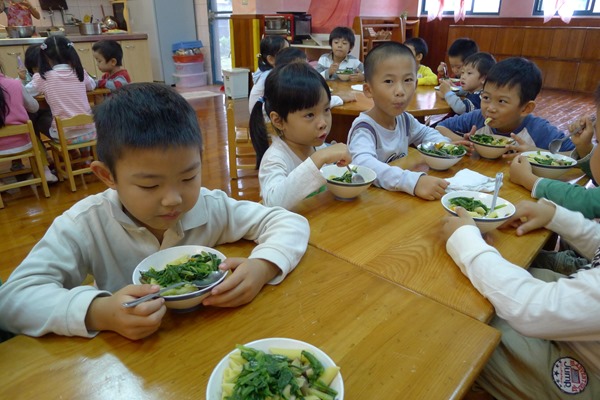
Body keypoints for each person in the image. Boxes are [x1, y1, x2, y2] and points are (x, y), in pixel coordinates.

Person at [0, 83, 310, 340]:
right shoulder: (86, 223)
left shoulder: (209, 205)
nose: (173, 200)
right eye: (149, 186)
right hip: (130, 359)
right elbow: (13, 299)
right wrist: (101, 312)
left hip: (211, 337)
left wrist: (263, 267)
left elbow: (287, 221)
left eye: (188, 177)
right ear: (107, 176)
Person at [440, 85, 600, 400]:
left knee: (458, 325)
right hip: (584, 328)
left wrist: (465, 239)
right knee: (507, 271)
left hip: (589, 371)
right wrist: (554, 216)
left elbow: (531, 309)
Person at [346, 41, 461, 200]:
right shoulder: (365, 128)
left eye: (407, 80)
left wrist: (443, 146)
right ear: (368, 90)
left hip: (397, 199)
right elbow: (363, 165)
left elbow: (426, 133)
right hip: (371, 204)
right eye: (388, 81)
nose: (400, 91)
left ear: (415, 84)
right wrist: (412, 182)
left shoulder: (404, 119)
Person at [249, 62, 351, 210]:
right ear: (278, 121)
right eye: (310, 115)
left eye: (326, 109)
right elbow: (273, 203)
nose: (323, 123)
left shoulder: (317, 145)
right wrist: (318, 159)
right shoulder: (275, 159)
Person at [436, 57, 582, 158]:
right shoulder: (478, 117)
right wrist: (463, 142)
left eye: (502, 101)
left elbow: (576, 156)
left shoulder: (538, 130)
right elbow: (440, 127)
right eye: (486, 98)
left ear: (525, 108)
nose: (490, 108)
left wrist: (533, 152)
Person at [25, 36, 96, 151]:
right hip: (90, 132)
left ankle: (69, 157)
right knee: (79, 126)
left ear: (45, 57)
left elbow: (26, 91)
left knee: (40, 121)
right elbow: (92, 86)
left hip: (65, 136)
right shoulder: (80, 72)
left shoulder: (43, 77)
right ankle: (85, 157)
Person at [0, 59, 41, 173]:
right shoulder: (14, 84)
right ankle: (45, 170)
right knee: (33, 124)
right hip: (22, 143)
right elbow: (34, 107)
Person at [248, 35, 289, 114]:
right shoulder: (271, 76)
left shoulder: (264, 71)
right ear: (271, 59)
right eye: (285, 53)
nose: (290, 56)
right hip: (265, 121)